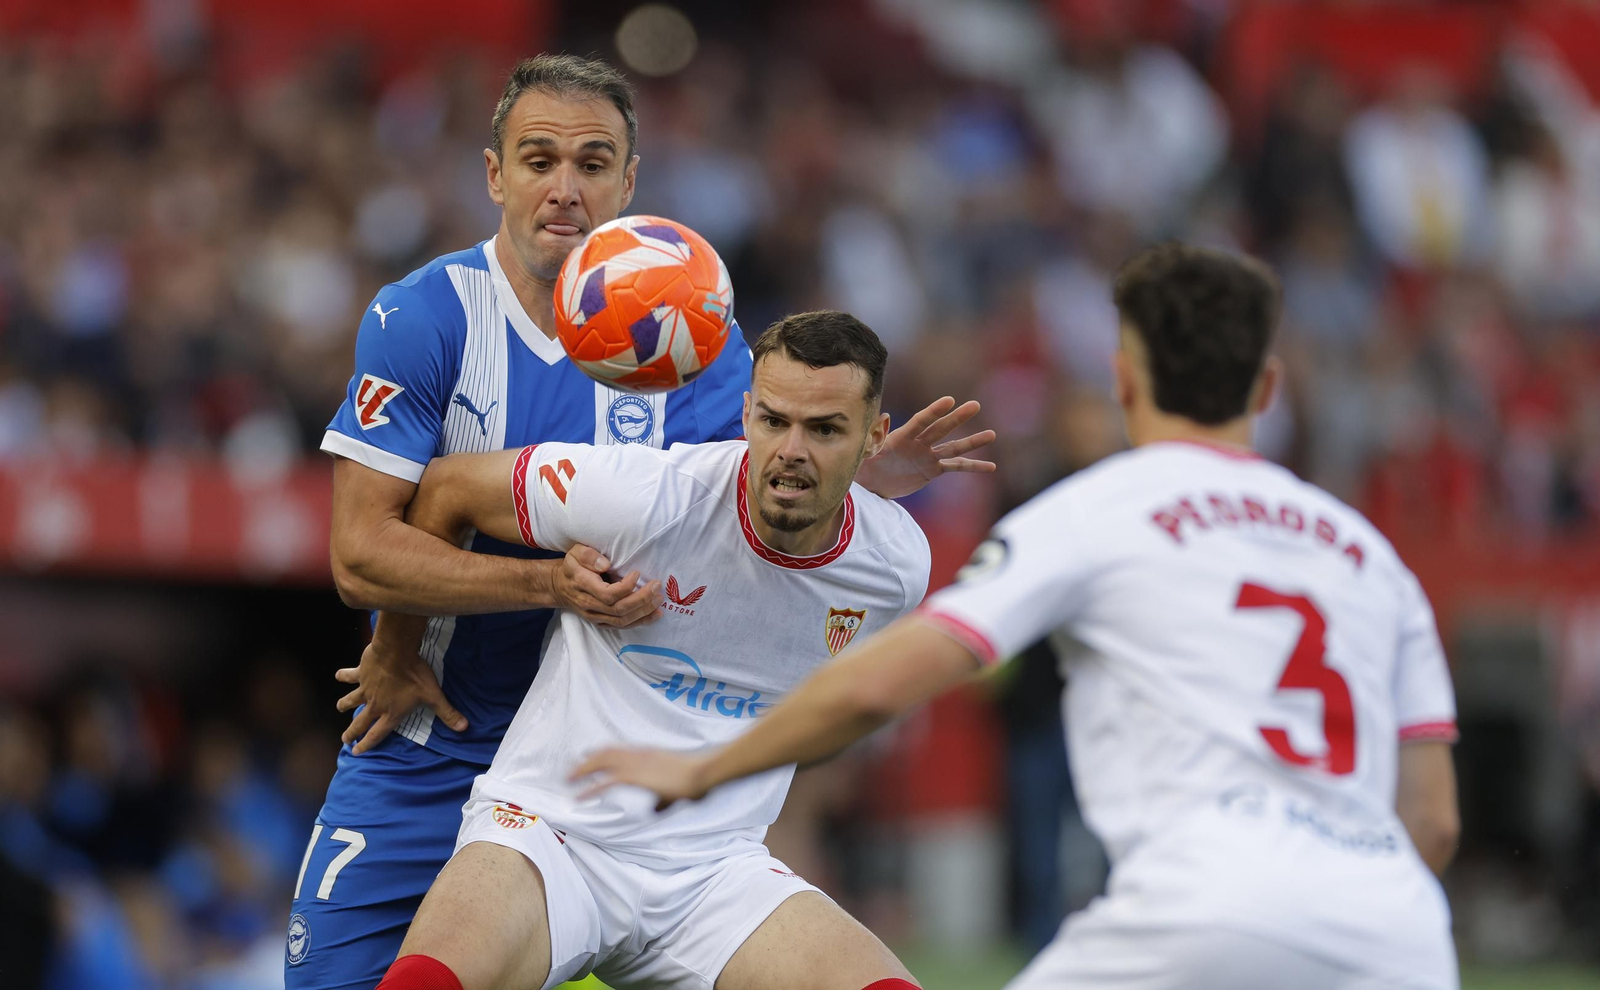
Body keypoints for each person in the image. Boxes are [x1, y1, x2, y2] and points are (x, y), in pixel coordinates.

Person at [578, 244, 1463, 990]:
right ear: (1267, 387)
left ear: (1123, 379)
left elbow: (886, 678)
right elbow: (1435, 823)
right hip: (1399, 931)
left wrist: (704, 772)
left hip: (1204, 903)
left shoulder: (1100, 510)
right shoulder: (1371, 557)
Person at [293, 54, 993, 990]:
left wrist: (857, 469)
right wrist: (471, 609)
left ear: (629, 181)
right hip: (440, 731)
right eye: (538, 160)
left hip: (619, 763)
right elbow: (361, 554)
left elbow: (758, 497)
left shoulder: (698, 340)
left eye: (593, 164)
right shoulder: (427, 317)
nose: (564, 189)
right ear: (495, 173)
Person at [369, 312, 929, 990]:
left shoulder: (895, 567)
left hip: (717, 871)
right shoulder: (647, 497)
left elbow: (820, 719)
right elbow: (448, 487)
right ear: (746, 413)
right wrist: (395, 650)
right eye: (774, 421)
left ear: (874, 437)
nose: (791, 449)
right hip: (550, 836)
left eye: (825, 430)